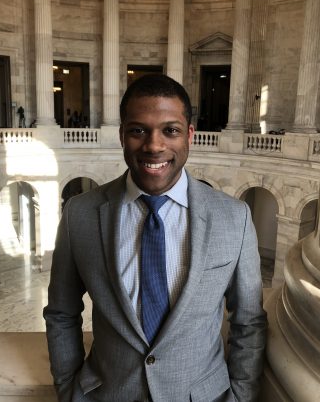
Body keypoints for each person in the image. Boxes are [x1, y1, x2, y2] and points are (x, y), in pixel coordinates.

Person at [44, 74, 267, 402]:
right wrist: (67, 389)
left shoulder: (234, 218)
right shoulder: (80, 214)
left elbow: (249, 322)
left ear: (189, 134)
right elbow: (62, 313)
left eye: (170, 130)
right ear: (122, 135)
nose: (154, 145)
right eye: (138, 130)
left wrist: (241, 396)